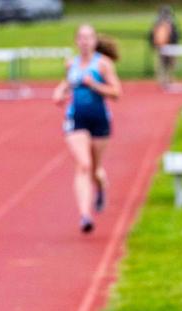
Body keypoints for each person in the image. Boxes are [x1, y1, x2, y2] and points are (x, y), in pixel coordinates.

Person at [52, 24, 121, 234]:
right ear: (76, 41)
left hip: (99, 119)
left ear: (94, 41)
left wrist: (95, 85)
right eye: (81, 38)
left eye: (88, 38)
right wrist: (59, 93)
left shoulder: (103, 65)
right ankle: (85, 215)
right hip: (76, 119)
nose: (84, 41)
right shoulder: (71, 63)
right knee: (83, 164)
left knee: (95, 170)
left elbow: (117, 93)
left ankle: (100, 186)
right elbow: (66, 84)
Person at [149, 4, 179, 87]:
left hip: (168, 46)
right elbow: (154, 35)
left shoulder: (168, 22)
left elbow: (175, 35)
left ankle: (167, 79)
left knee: (167, 64)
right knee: (163, 64)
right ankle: (164, 80)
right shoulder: (161, 22)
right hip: (163, 46)